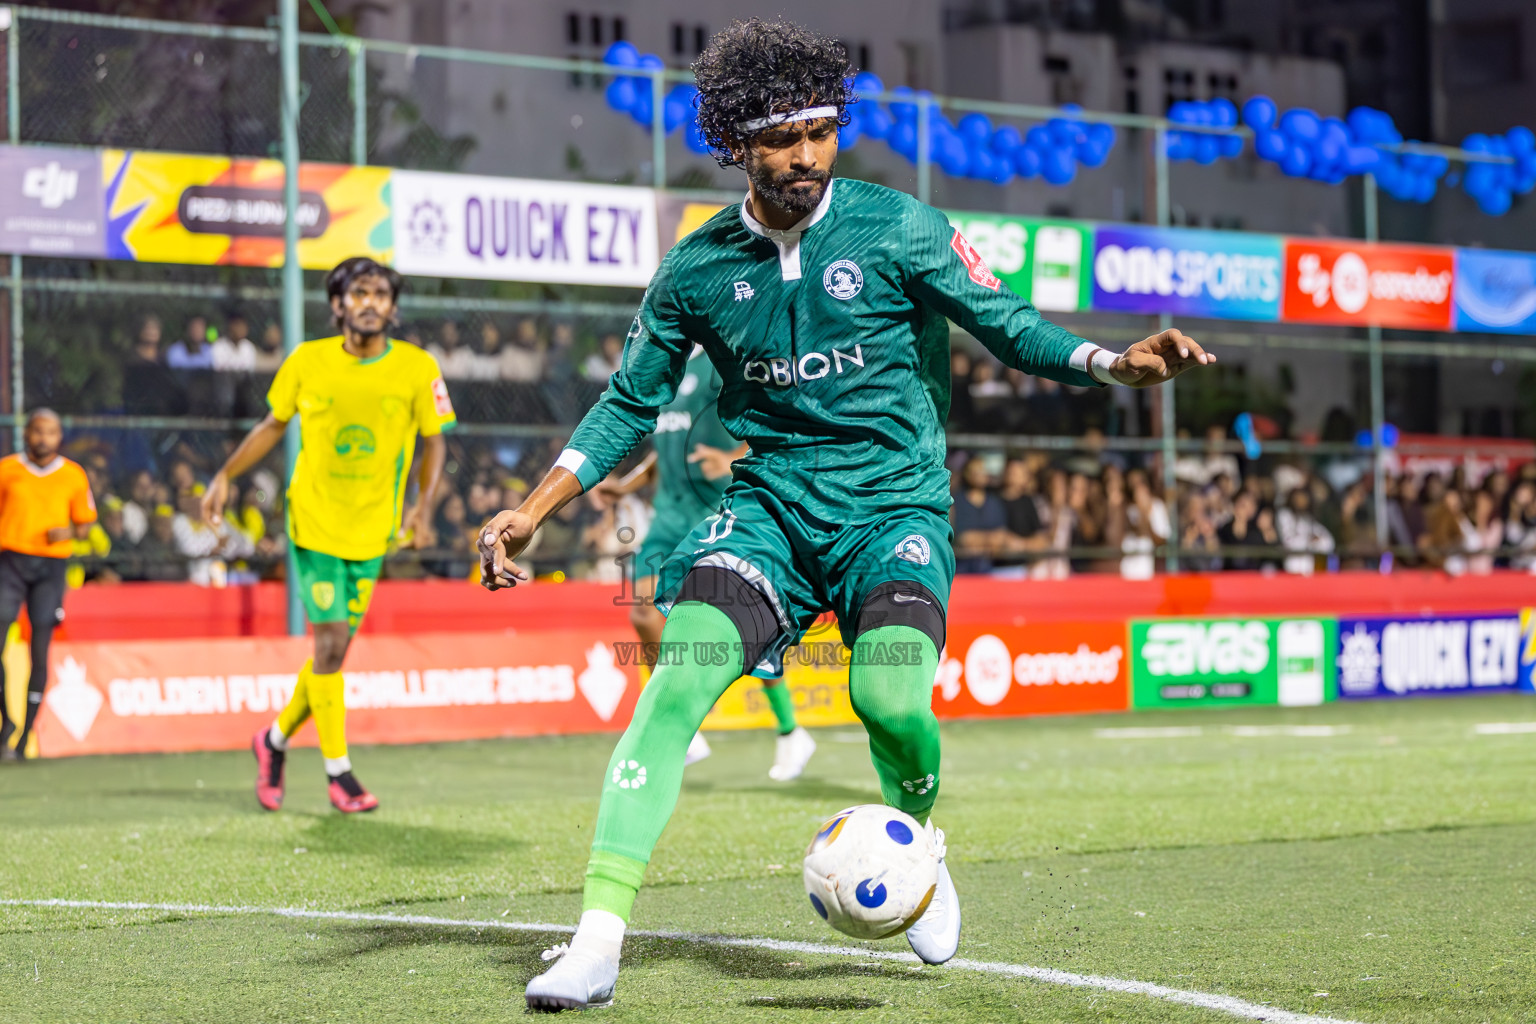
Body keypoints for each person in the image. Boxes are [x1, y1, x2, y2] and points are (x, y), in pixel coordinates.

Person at [476, 19, 1212, 1011]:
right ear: (735, 142)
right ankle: (599, 939)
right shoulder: (697, 268)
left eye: (820, 131)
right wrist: (533, 507)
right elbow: (628, 404)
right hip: (770, 514)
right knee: (674, 687)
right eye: (782, 138)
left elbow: (1009, 322)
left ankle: (921, 846)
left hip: (892, 511)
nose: (806, 155)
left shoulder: (898, 225)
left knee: (891, 699)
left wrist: (1109, 362)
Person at [201, 257, 453, 814]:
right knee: (332, 643)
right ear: (338, 305)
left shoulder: (418, 367)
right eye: (357, 293)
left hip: (374, 533)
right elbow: (272, 425)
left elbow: (435, 441)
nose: (369, 302)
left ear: (392, 306)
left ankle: (271, 740)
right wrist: (225, 475)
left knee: (330, 657)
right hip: (313, 525)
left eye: (380, 293)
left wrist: (423, 507)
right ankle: (340, 774)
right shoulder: (306, 361)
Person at [589, 344, 814, 779]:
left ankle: (790, 731)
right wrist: (626, 485)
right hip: (669, 518)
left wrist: (732, 459)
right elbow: (667, 449)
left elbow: (780, 419)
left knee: (748, 630)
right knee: (641, 612)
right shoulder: (663, 362)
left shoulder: (720, 358)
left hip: (718, 512)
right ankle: (681, 727)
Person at [0, 410, 96, 760]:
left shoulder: (73, 475)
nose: (43, 438)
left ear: (60, 436)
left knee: (39, 649)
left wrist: (68, 532)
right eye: (38, 431)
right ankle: (5, 724)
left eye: (51, 432)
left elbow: (84, 525)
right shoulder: (7, 470)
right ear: (27, 434)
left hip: (51, 567)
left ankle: (26, 735)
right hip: (9, 562)